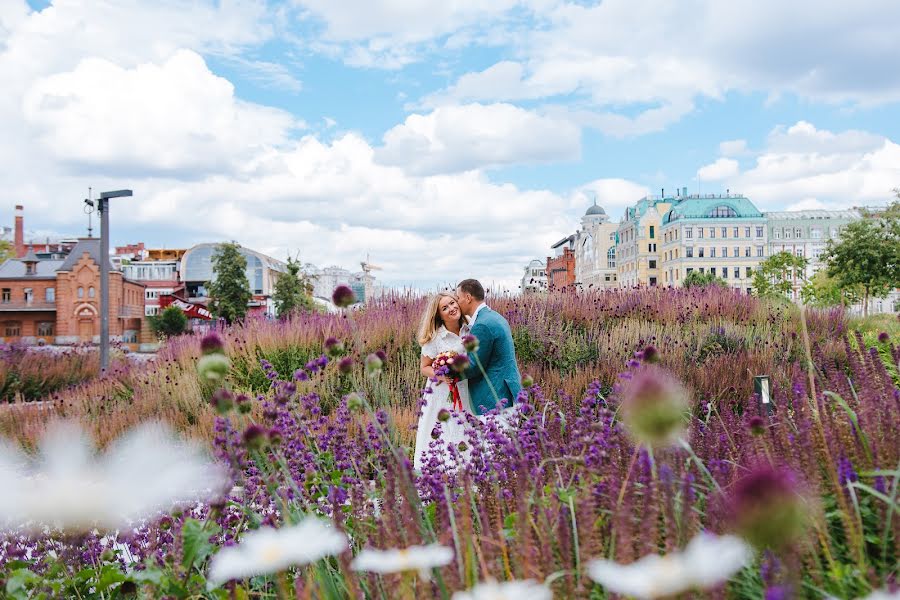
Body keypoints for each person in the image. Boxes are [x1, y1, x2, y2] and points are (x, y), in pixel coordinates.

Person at [414, 291, 473, 471]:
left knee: (467, 426)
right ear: (439, 314)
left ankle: (469, 468)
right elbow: (424, 367)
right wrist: (442, 374)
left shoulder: (471, 327)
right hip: (442, 392)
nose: (452, 309)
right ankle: (445, 470)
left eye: (453, 303)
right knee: (445, 428)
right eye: (445, 308)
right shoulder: (435, 338)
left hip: (467, 389)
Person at [455, 279, 522, 416]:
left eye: (458, 298)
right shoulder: (495, 317)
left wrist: (445, 369)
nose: (457, 302)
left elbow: (473, 366)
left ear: (468, 298)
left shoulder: (482, 325)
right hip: (506, 394)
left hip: (494, 399)